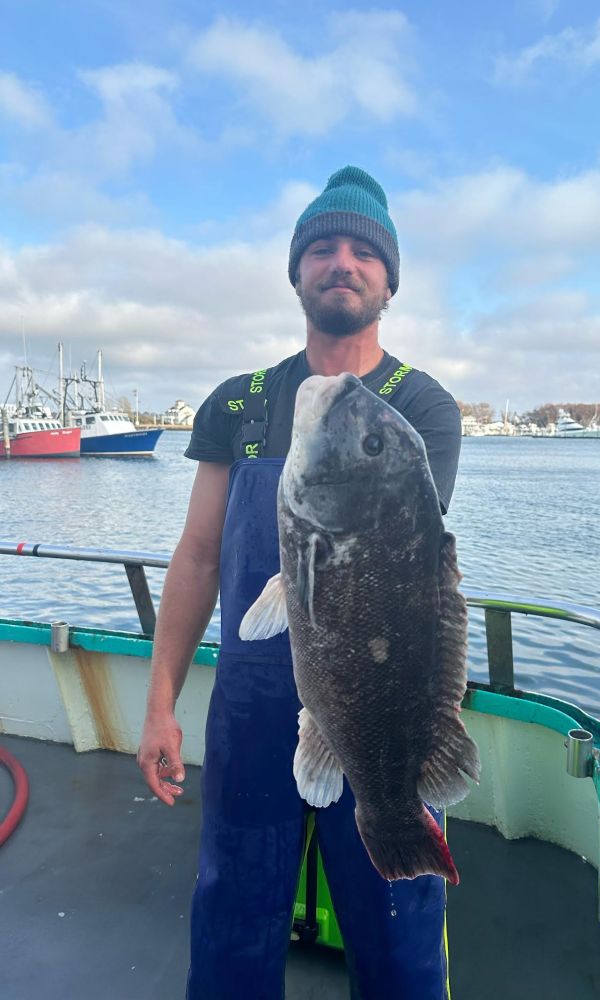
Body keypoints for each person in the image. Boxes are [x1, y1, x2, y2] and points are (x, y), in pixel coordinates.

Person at [137, 165, 462, 1000]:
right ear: (297, 272)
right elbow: (199, 557)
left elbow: (410, 575)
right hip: (249, 707)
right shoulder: (238, 404)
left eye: (362, 251)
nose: (341, 262)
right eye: (322, 248)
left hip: (378, 703)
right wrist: (160, 703)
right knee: (232, 921)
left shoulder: (419, 408)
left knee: (399, 944)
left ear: (390, 280)